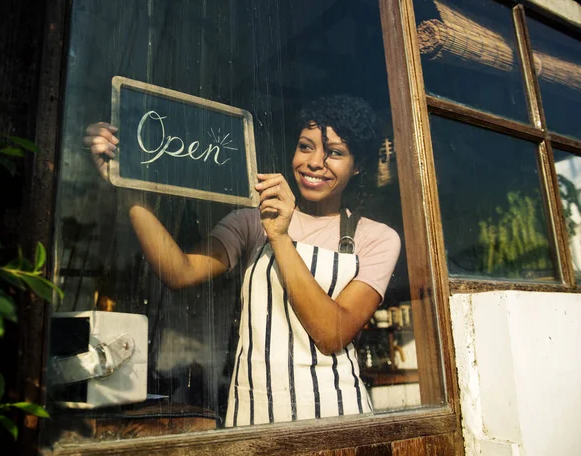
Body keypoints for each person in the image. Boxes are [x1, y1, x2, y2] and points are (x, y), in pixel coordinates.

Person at [83, 95, 401, 427]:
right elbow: (179, 271)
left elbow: (332, 334)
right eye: (306, 146)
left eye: (335, 152)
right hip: (254, 413)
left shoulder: (375, 238)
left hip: (336, 416)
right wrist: (128, 185)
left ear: (358, 164)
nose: (315, 162)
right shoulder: (250, 222)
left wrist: (279, 236)